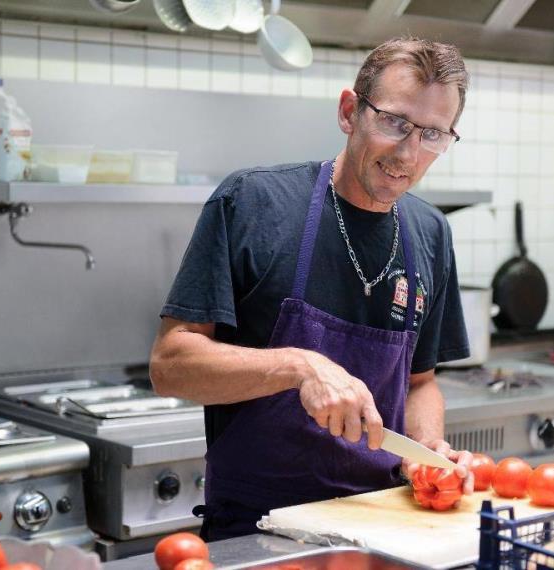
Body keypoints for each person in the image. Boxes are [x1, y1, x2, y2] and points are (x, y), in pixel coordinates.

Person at [150, 36, 474, 542]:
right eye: (395, 122)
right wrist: (300, 366)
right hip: (258, 530)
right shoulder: (253, 202)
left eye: (432, 134)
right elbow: (170, 365)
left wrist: (427, 450)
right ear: (349, 112)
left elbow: (420, 383)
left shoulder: (430, 232)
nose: (409, 153)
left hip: (383, 524)